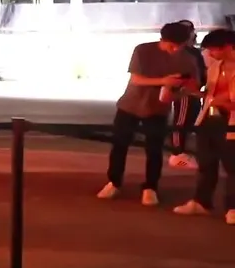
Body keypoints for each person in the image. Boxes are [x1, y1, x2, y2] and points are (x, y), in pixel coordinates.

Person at [97, 21, 199, 206]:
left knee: (154, 149)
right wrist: (163, 81)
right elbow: (136, 79)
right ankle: (114, 182)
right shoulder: (143, 50)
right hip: (130, 105)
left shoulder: (188, 59)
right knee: (120, 145)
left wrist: (177, 92)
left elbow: (191, 87)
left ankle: (150, 187)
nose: (175, 50)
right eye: (171, 45)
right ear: (162, 39)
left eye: (180, 46)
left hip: (158, 108)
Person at [172, 28, 235, 223]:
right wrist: (193, 91)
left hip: (231, 122)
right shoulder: (215, 67)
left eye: (214, 49)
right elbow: (210, 95)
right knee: (206, 163)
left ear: (228, 47)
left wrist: (221, 101)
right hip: (209, 119)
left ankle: (232, 207)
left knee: (232, 166)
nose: (210, 54)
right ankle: (201, 202)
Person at [168, 19, 206, 169]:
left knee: (190, 119)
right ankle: (177, 153)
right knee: (181, 121)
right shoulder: (180, 52)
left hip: (196, 90)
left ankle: (181, 151)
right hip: (185, 91)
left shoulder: (194, 51)